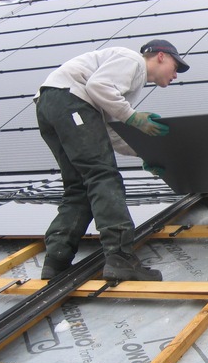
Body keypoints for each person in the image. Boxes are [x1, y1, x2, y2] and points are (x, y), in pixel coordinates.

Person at [35, 39, 190, 281]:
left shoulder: (124, 79)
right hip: (70, 101)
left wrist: (144, 153)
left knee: (79, 186)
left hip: (51, 106)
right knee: (103, 176)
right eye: (175, 66)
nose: (175, 75)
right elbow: (98, 85)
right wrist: (133, 118)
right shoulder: (132, 61)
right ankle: (120, 257)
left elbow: (105, 132)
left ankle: (56, 259)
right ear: (160, 56)